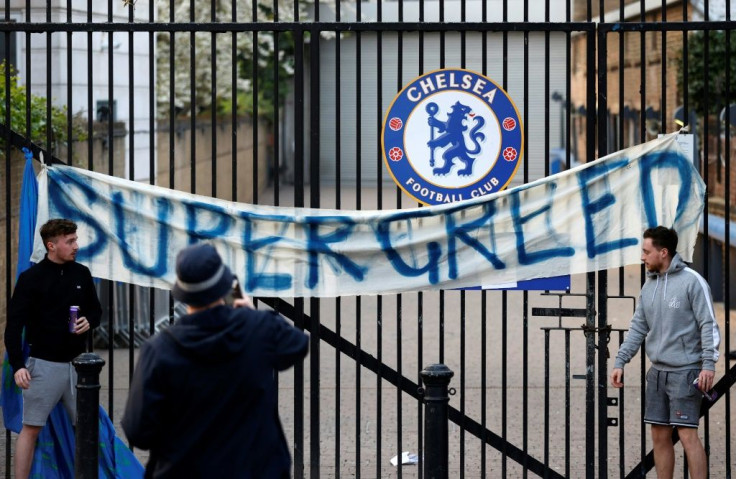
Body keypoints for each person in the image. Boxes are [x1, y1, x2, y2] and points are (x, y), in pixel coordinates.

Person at [122, 243, 309, 478]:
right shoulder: (258, 329)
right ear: (225, 287)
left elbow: (138, 431)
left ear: (182, 292)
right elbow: (296, 344)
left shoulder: (159, 350)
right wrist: (249, 310)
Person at [611, 226, 720, 479]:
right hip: (657, 374)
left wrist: (709, 364)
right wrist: (620, 360)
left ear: (663, 252)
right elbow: (638, 326)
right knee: (659, 436)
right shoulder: (649, 286)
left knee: (686, 434)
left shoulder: (692, 282)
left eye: (646, 251)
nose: (642, 257)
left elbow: (708, 324)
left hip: (686, 373)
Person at [4, 218, 102, 479]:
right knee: (31, 429)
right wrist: (18, 366)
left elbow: (96, 310)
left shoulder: (82, 273)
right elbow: (13, 326)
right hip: (43, 365)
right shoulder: (31, 279)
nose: (76, 245)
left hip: (80, 367)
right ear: (51, 245)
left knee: (87, 428)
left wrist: (89, 321)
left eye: (75, 239)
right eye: (69, 241)